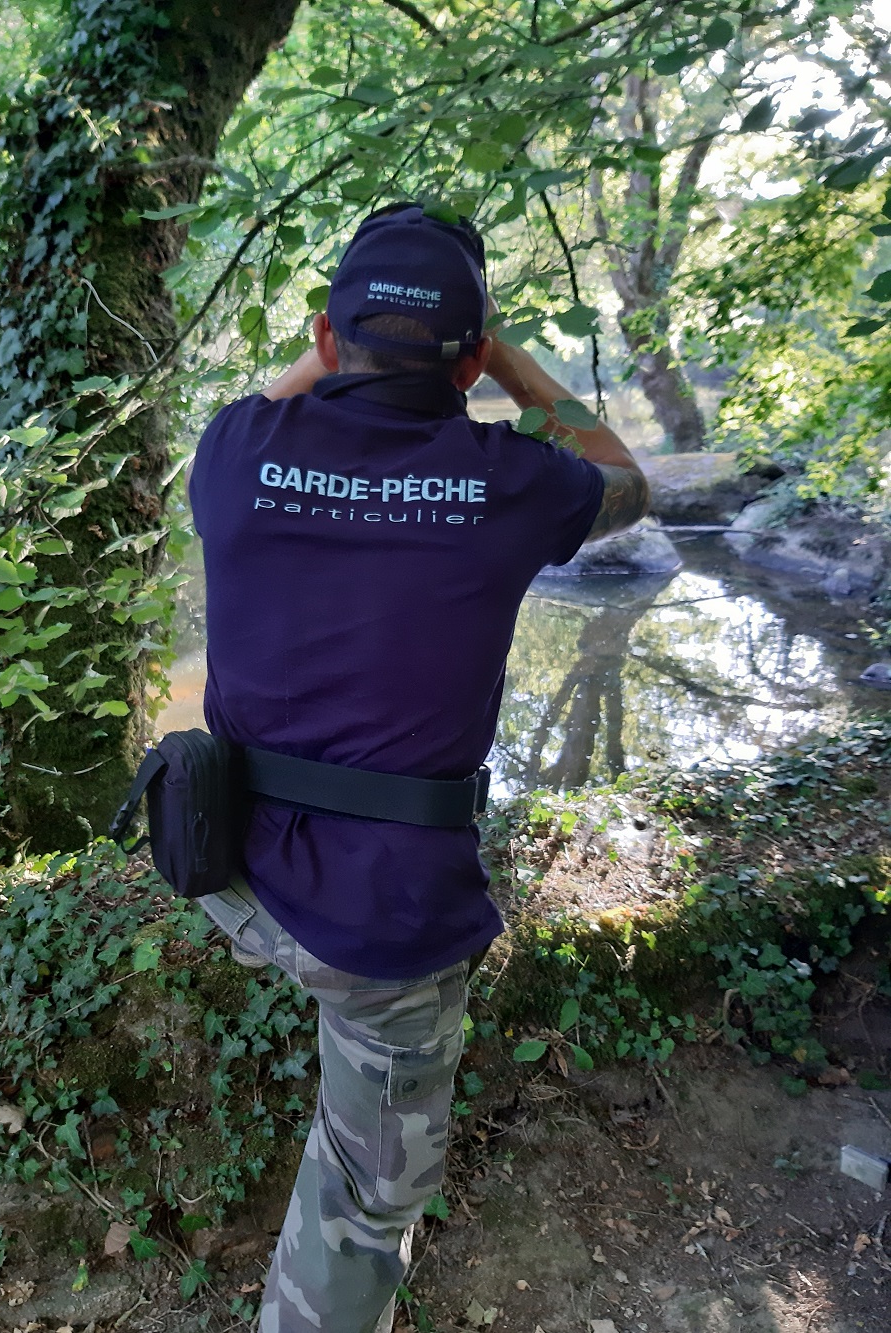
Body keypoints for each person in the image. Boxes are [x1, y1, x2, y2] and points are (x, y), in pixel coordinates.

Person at [188, 203, 649, 1333]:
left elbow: (277, 398)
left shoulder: (236, 453)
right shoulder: (509, 478)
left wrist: (332, 348)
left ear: (327, 337)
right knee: (366, 1193)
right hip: (381, 919)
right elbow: (626, 477)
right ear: (472, 362)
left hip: (227, 871)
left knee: (338, 998)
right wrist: (519, 370)